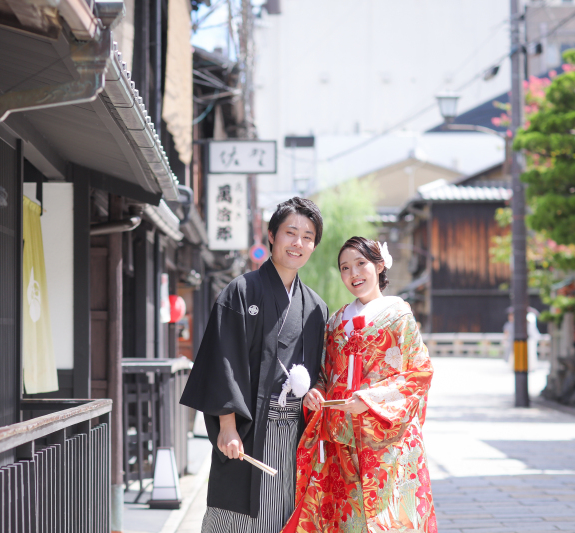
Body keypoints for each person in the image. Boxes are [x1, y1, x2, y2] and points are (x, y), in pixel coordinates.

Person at [181, 197, 328, 533]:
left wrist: (315, 392)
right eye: (291, 232)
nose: (298, 243)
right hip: (248, 430)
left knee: (284, 513)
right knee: (238, 514)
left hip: (295, 435)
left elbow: (321, 370)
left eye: (308, 237)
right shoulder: (241, 292)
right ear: (272, 235)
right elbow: (223, 362)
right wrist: (227, 426)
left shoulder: (316, 307)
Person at [283, 237, 437, 533]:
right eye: (345, 267)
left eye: (361, 264)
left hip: (387, 441)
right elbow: (326, 374)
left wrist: (370, 400)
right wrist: (316, 392)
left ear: (379, 266)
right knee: (347, 519)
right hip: (343, 441)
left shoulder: (398, 315)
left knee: (389, 520)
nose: (354, 274)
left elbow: (420, 372)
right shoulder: (336, 321)